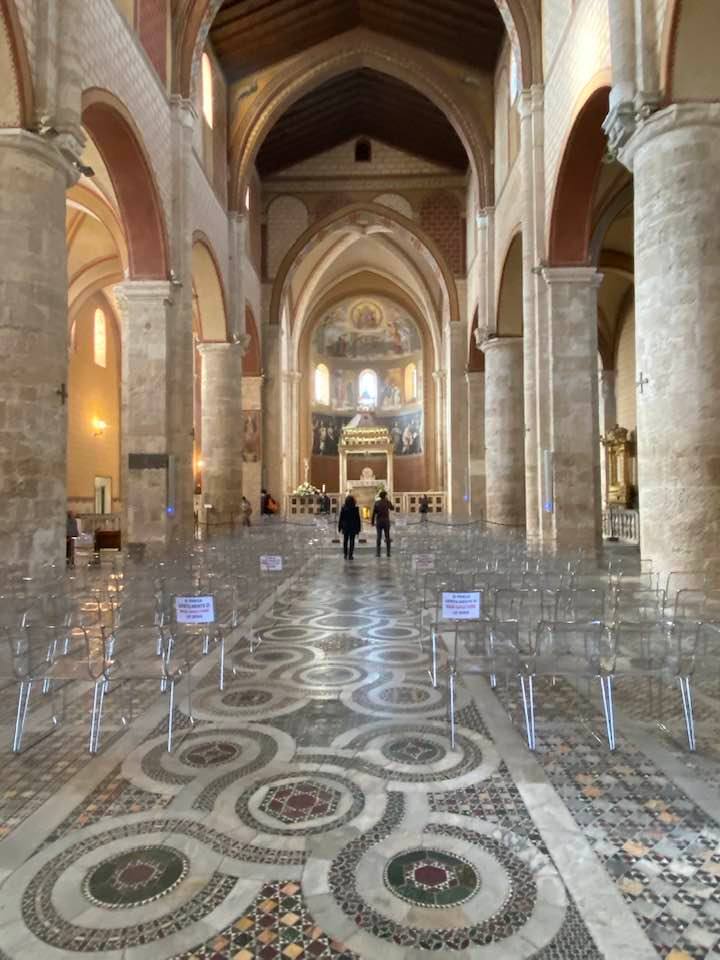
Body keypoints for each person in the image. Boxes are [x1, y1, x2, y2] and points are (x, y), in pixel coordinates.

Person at [371, 489, 394, 557]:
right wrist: (388, 501)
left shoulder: (377, 503)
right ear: (385, 496)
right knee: (387, 536)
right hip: (386, 521)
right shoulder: (387, 502)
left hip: (379, 521)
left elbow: (374, 513)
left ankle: (378, 553)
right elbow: (392, 508)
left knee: (379, 536)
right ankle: (388, 553)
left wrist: (372, 522)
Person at [338, 494, 361, 560]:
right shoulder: (355, 509)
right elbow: (358, 519)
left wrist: (339, 527)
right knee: (352, 540)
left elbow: (341, 518)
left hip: (345, 526)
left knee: (345, 540)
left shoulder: (343, 508)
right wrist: (358, 528)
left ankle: (345, 554)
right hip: (353, 526)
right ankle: (350, 555)